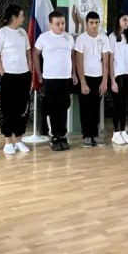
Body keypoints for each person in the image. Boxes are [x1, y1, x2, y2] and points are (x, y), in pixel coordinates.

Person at [0, 5, 33, 156]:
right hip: (9, 76)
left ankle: (19, 139)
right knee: (8, 109)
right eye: (22, 15)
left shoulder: (23, 32)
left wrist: (30, 69)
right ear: (14, 17)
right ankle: (8, 141)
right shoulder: (2, 33)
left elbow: (28, 52)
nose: (23, 18)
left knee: (22, 109)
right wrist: (1, 70)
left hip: (24, 75)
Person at [34, 10, 76, 151]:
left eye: (63, 23)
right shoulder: (43, 38)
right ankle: (54, 136)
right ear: (50, 24)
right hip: (50, 78)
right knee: (53, 108)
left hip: (65, 78)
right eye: (57, 23)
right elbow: (35, 53)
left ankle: (62, 135)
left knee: (64, 107)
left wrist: (74, 73)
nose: (61, 26)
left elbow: (72, 55)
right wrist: (39, 73)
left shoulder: (69, 38)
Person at [74, 10, 112, 148]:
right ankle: (86, 135)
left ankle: (95, 134)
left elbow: (106, 61)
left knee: (96, 107)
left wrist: (105, 81)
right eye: (91, 22)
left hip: (99, 77)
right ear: (86, 23)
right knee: (85, 108)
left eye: (96, 22)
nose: (94, 25)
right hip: (85, 77)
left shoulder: (104, 39)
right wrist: (83, 82)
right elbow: (78, 61)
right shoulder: (81, 39)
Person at [108, 12, 128, 146]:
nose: (127, 23)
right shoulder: (112, 37)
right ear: (118, 21)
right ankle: (116, 132)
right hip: (118, 74)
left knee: (125, 104)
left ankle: (123, 131)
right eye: (124, 20)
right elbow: (110, 60)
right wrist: (112, 80)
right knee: (117, 104)